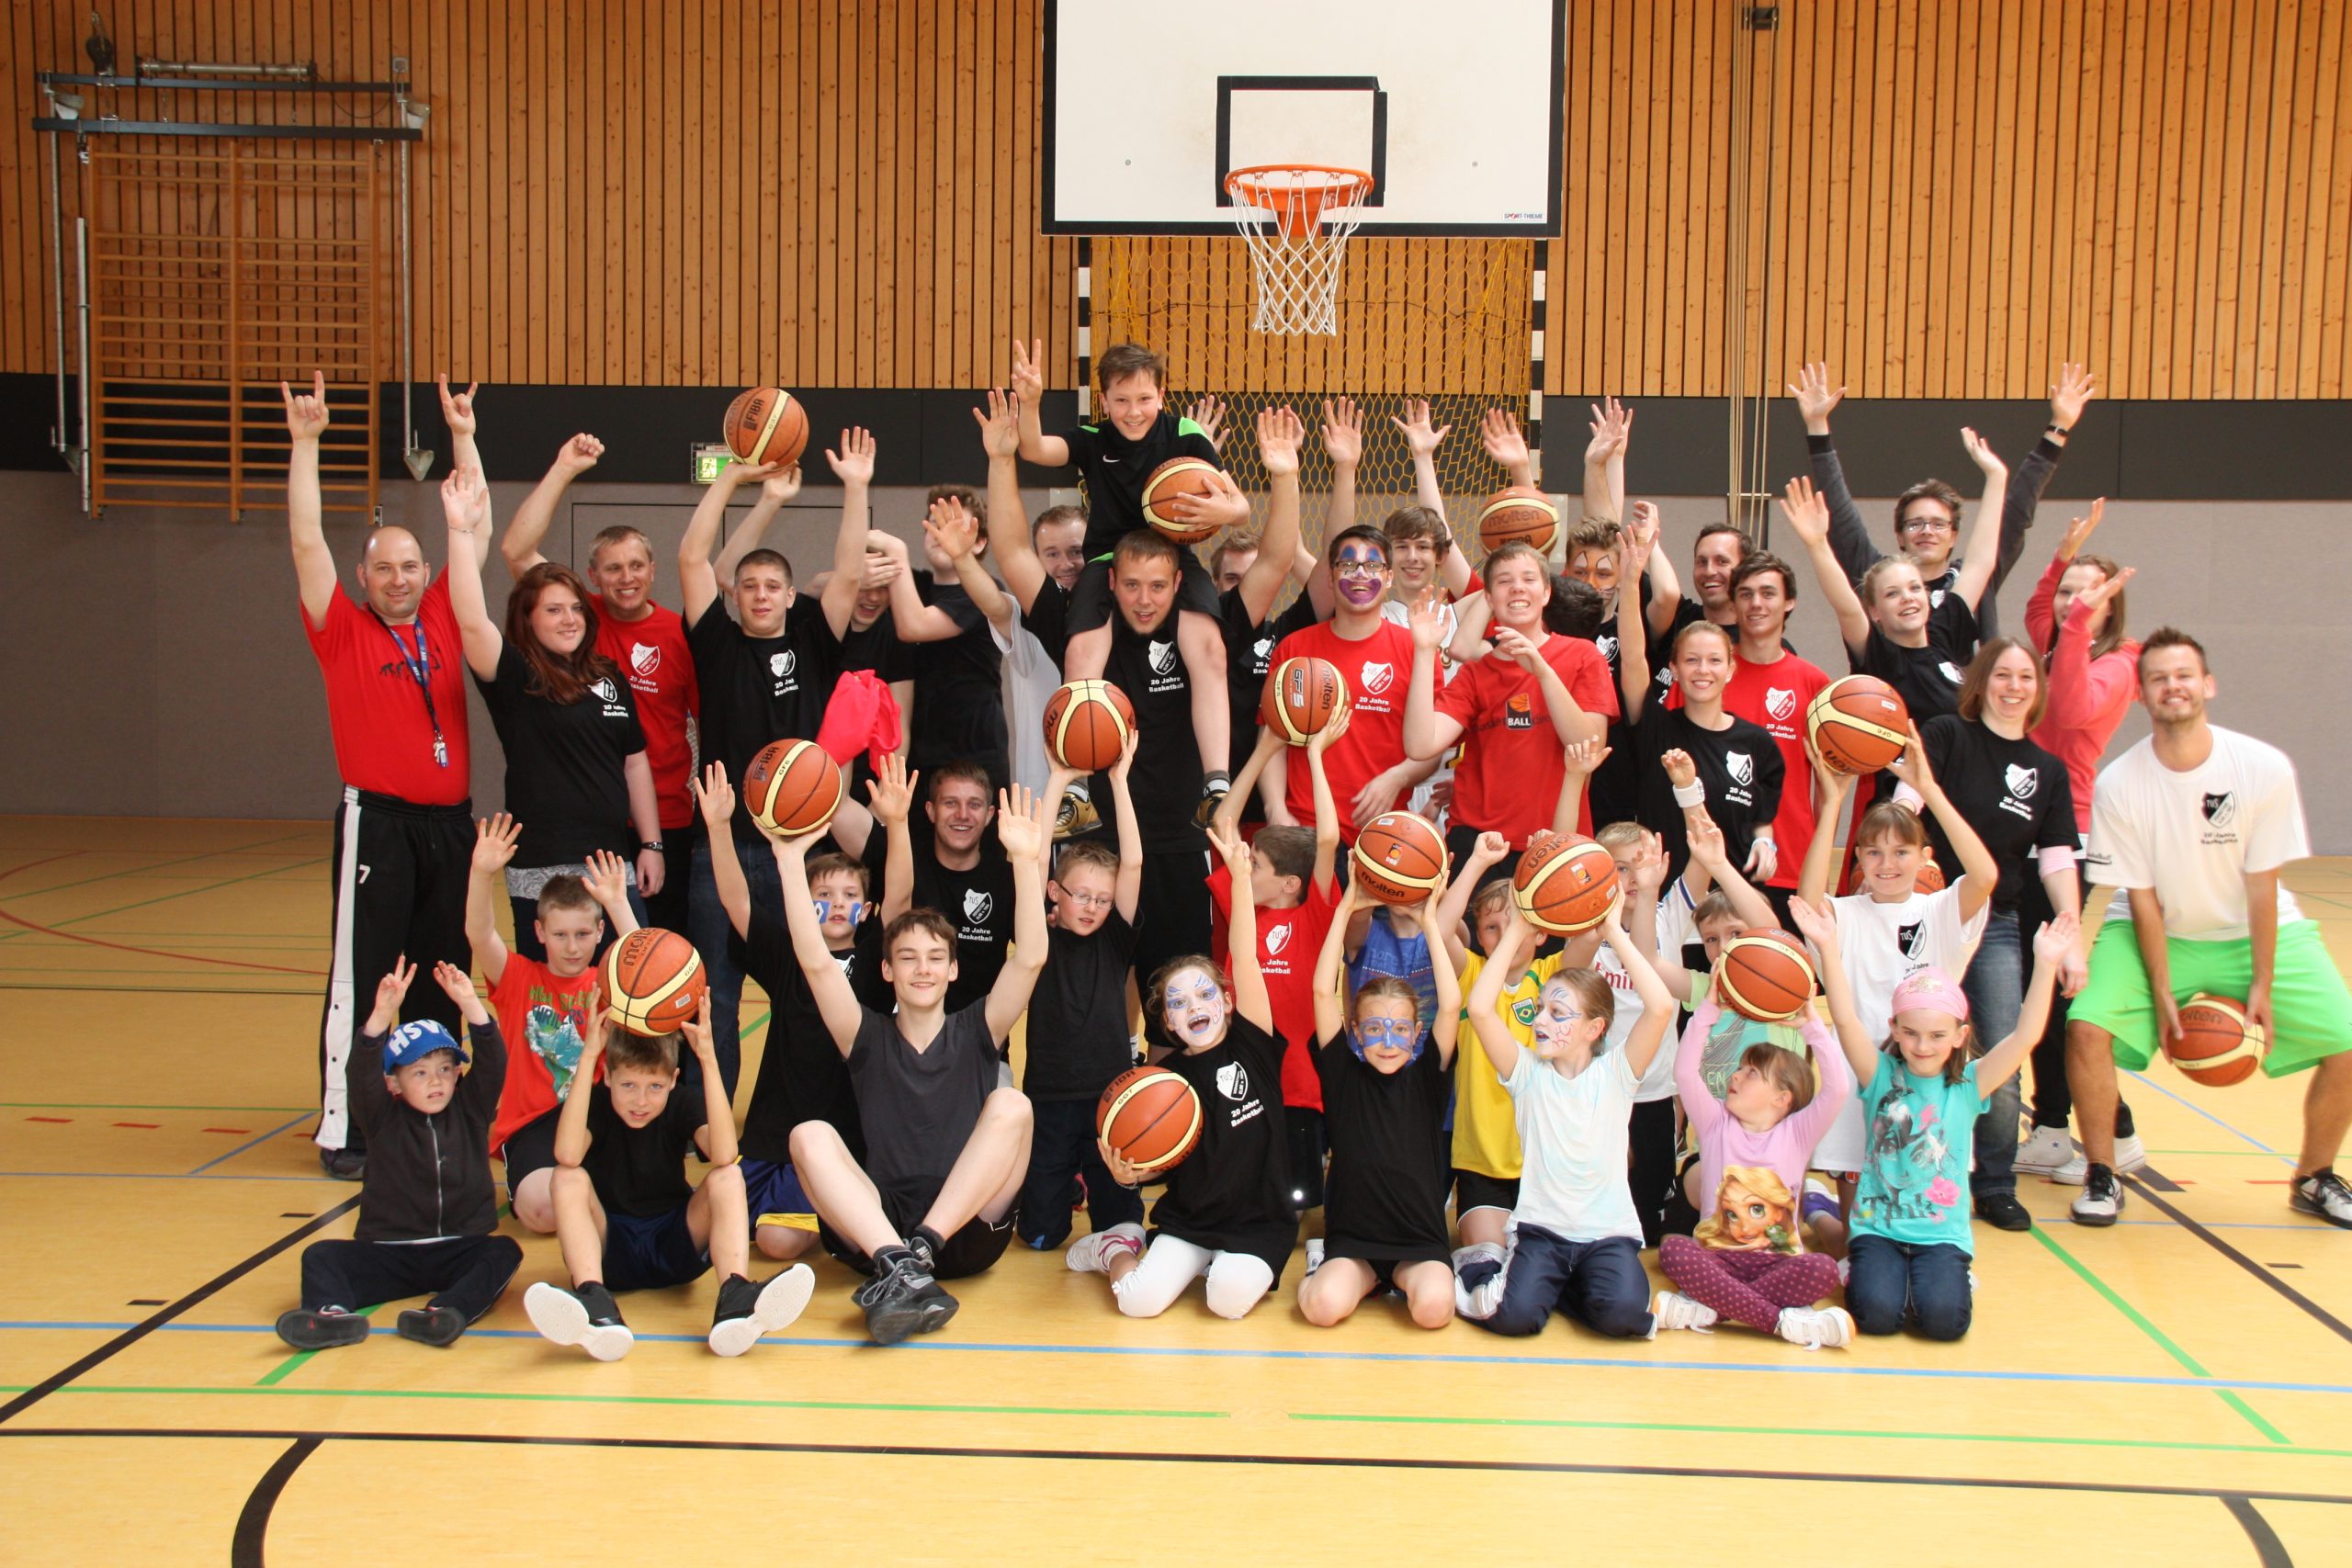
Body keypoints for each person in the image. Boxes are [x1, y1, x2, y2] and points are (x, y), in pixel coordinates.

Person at [2068, 629, 2352, 1229]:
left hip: (2253, 931)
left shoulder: (2262, 767)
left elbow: (2262, 885)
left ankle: (2315, 1176)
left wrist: (2262, 982)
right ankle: (2101, 1172)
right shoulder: (2120, 782)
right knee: (2086, 1028)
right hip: (2152, 931)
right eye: (2158, 678)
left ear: (2208, 685)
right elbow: (2142, 898)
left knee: (2347, 1043)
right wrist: (2162, 990)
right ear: (2140, 695)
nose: (2172, 686)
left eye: (2184, 675)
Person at [286, 372, 482, 1180]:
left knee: (443, 975)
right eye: (384, 569)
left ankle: (435, 1113)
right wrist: (306, 444)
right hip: (381, 825)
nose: (399, 578)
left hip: (451, 827)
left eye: (410, 566)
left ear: (425, 571)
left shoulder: (441, 614)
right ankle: (349, 1126)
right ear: (363, 578)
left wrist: (464, 436)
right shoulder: (340, 630)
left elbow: (472, 517)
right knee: (367, 976)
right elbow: (306, 542)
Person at [779, 786, 1051, 1343]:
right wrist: (787, 859)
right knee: (808, 1135)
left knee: (1012, 1104)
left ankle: (918, 1254)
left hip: (967, 1230)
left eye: (935, 958)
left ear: (953, 971)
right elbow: (816, 962)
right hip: (879, 1228)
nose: (922, 969)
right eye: (907, 958)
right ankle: (900, 1264)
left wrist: (1027, 863)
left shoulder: (979, 1028)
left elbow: (1029, 958)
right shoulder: (864, 1034)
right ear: (887, 972)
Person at [676, 434, 865, 1093]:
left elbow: (848, 575)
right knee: (715, 995)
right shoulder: (716, 644)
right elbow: (692, 557)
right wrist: (732, 479)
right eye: (749, 586)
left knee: (808, 986)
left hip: (801, 850)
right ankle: (710, 1122)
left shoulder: (815, 642)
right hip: (723, 846)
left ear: (790, 596)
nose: (760, 596)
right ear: (736, 595)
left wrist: (856, 487)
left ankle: (806, 1111)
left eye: (772, 587)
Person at [1806, 901, 2077, 1338]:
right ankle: (1819, 1211)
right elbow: (1845, 1017)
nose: (1923, 1046)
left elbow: (2025, 1036)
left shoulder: (1969, 1084)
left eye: (1936, 1035)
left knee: (1944, 1324)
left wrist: (2045, 964)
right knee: (1877, 1318)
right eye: (1911, 1033)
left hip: (1940, 1237)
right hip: (1878, 1230)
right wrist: (1827, 946)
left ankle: (1947, 1279)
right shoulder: (1879, 1074)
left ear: (1959, 1035)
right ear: (1895, 1029)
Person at [1012, 338, 1248, 818]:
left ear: (1161, 395)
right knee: (1080, 653)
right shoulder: (1094, 438)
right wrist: (1031, 403)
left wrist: (1224, 511)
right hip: (1108, 560)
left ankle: (1217, 783)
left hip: (1173, 555)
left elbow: (1239, 506)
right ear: (1104, 400)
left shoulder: (1185, 435)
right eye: (1121, 400)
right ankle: (1077, 786)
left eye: (1143, 398)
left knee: (1210, 650)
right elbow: (1034, 449)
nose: (1133, 411)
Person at [1069, 824, 1295, 1321]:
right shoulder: (1162, 1080)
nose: (1194, 1006)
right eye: (1178, 1002)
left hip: (1258, 1222)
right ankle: (1115, 1247)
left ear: (1227, 1002)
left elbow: (1245, 953)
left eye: (1204, 993)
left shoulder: (1252, 1041)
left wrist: (1240, 879)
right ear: (1168, 1022)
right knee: (1138, 1304)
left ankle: (1214, 1267)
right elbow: (1162, 1159)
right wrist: (1131, 1175)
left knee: (1227, 1301)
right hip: (1191, 1219)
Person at [520, 993, 817, 1360]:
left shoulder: (682, 1102)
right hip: (612, 1249)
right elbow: (567, 1155)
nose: (641, 1101)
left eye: (655, 1087)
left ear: (673, 1080)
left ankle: (736, 1298)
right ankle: (595, 1303)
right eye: (628, 1085)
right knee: (567, 1177)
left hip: (673, 1243)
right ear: (608, 1076)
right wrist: (588, 1057)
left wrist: (708, 1059)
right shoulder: (596, 1102)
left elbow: (724, 1154)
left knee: (728, 1176)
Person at [442, 465, 660, 954]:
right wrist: (460, 532)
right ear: (528, 618)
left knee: (628, 983)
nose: (569, 619)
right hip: (540, 865)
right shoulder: (513, 675)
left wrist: (651, 844)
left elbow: (634, 762)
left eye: (576, 608)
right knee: (547, 996)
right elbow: (470, 619)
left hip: (612, 866)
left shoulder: (609, 676)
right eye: (554, 610)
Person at [1797, 728, 2000, 1254]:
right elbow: (1808, 896)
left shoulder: (1941, 911)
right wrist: (1833, 805)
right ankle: (1821, 1213)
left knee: (1922, 1208)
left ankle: (1923, 1257)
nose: (1887, 864)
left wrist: (1928, 790)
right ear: (1858, 860)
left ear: (1925, 857)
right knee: (1857, 1242)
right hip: (1859, 1073)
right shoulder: (1844, 914)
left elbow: (1984, 875)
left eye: (1901, 852)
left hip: (1928, 1081)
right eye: (1873, 852)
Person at [1902, 640, 2082, 1231]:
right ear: (1981, 681)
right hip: (1925, 912)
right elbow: (1907, 803)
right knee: (1905, 1041)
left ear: (2038, 689)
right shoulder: (1946, 734)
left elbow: (2055, 858)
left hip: (1996, 922)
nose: (2014, 686)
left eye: (2026, 676)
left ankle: (1996, 1182)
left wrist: (2073, 935)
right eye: (2002, 674)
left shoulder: (2047, 770)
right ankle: (1897, 1163)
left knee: (2003, 1048)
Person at [499, 432, 703, 934]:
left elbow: (705, 722)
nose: (625, 577)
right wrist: (564, 468)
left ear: (653, 570)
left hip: (665, 820)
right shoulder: (576, 618)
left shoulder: (681, 633)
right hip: (595, 828)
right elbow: (516, 549)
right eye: (612, 569)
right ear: (593, 576)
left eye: (635, 566)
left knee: (658, 950)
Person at [696, 760, 897, 1261]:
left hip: (835, 1142)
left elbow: (902, 894)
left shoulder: (876, 962)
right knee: (705, 1222)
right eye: (823, 895)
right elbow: (737, 902)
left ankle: (839, 1218)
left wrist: (897, 826)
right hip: (770, 1140)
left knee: (776, 1242)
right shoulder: (788, 957)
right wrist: (718, 827)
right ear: (802, 904)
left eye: (849, 895)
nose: (836, 904)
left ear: (867, 910)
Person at [275, 957, 523, 1350]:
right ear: (394, 1082)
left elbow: (494, 1062)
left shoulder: (471, 1110)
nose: (436, 1081)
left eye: (445, 1069)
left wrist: (469, 1003)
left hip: (458, 1248)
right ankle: (329, 1316)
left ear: (458, 1073)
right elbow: (360, 1076)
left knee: (503, 1251)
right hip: (390, 1254)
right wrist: (381, 1016)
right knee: (320, 1255)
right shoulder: (381, 1118)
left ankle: (444, 1313)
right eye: (420, 1073)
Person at [1461, 901, 1675, 1339]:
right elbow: (1480, 1008)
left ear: (1594, 1029)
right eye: (1541, 1009)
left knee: (1622, 1317)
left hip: (1607, 1236)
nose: (1540, 1021)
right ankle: (1482, 1269)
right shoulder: (1526, 1073)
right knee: (1516, 1319)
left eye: (1557, 1014)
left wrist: (1614, 932)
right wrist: (1518, 928)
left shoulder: (1617, 1072)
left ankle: (1560, 1289)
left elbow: (1659, 1007)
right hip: (1542, 1234)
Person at [1652, 909, 1858, 1349]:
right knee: (1674, 1250)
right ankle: (1780, 1322)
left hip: (1775, 1263)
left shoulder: (1798, 1133)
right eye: (1739, 1069)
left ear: (1783, 1097)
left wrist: (1813, 1027)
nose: (1736, 1076)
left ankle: (1711, 1307)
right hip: (1719, 1259)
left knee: (1822, 1269)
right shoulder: (1715, 1125)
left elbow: (1838, 1088)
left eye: (1751, 1074)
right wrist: (1708, 1010)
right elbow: (1686, 1072)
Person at [2016, 500, 2143, 1179]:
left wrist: (2077, 620)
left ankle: (2083, 1128)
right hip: (2022, 828)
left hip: (2068, 837)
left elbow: (2067, 707)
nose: (2071, 602)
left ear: (2110, 606)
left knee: (2053, 984)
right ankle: (2094, 1127)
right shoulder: (2055, 641)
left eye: (2088, 594)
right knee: (2033, 982)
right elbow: (2039, 607)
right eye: (2068, 592)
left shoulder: (2117, 663)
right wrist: (2062, 555)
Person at [1788, 360, 2095, 640]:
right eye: (1915, 524)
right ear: (1900, 536)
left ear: (1954, 536)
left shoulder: (1973, 579)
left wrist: (2059, 426)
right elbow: (1841, 518)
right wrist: (1817, 427)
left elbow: (2015, 512)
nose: (1927, 531)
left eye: (1938, 524)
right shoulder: (1879, 578)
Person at [1297, 881, 1464, 1329]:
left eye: (1399, 1030)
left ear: (1415, 1034)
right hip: (1356, 1243)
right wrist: (1345, 908)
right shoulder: (1342, 1073)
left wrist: (1430, 922)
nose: (1387, 1042)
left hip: (1418, 1242)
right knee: (1322, 1309)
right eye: (1374, 1028)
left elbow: (1450, 1005)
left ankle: (1400, 1282)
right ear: (1355, 1030)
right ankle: (1325, 1269)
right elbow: (1321, 992)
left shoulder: (1428, 1077)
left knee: (1433, 1312)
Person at [467, 816, 637, 1235]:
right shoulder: (517, 978)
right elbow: (480, 933)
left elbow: (646, 964)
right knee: (543, 1212)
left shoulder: (609, 980)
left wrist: (618, 904)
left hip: (599, 1117)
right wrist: (481, 873)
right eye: (560, 935)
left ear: (600, 931)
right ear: (540, 932)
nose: (573, 947)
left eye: (582, 933)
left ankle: (596, 1196)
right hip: (534, 1124)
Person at [1403, 540, 1616, 865]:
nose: (1517, 587)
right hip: (1480, 843)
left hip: (1558, 841)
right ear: (1489, 599)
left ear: (1546, 593)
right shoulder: (1475, 674)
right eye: (1504, 581)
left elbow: (1589, 748)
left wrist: (1543, 672)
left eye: (1529, 579)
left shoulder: (1582, 655)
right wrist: (1423, 650)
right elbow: (1420, 745)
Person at [1018, 739, 1147, 1252]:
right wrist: (1057, 779)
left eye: (1103, 899)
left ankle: (1091, 1185)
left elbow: (1133, 863)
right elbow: (1034, 860)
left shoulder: (1114, 940)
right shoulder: (1038, 936)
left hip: (1107, 1097)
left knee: (1119, 1227)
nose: (1092, 907)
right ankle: (1066, 1186)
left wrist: (1118, 780)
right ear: (1055, 892)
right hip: (1048, 1096)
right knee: (1041, 1236)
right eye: (1081, 896)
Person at [1779, 456, 2006, 740]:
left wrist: (1997, 477)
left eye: (1914, 588)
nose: (1907, 598)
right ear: (1875, 611)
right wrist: (1817, 544)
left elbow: (1980, 563)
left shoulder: (1945, 630)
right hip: (1904, 770)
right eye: (1892, 593)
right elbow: (1846, 607)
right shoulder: (1880, 655)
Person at [1213, 729, 1343, 1213]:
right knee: (1249, 1192)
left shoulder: (1315, 915)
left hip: (1299, 1087)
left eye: (1256, 863)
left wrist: (1315, 756)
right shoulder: (1243, 904)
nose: (1245, 865)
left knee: (1298, 1202)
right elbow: (1223, 822)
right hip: (1245, 1078)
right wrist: (1264, 750)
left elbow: (1327, 839)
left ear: (1290, 883)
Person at [1682, 544, 1833, 924]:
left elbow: (1826, 786)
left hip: (1790, 863)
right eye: (1746, 594)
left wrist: (1820, 863)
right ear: (1733, 604)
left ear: (1789, 602)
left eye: (1768, 593)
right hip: (1708, 863)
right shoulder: (1706, 673)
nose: (1756, 604)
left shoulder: (1815, 684)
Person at [1267, 526, 1435, 840]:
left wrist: (1398, 777)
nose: (1360, 574)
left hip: (1382, 833)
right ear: (1329, 578)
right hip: (1306, 830)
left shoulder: (1419, 649)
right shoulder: (1294, 648)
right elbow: (1271, 738)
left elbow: (1429, 748)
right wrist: (1275, 808)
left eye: (1372, 565)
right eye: (1347, 564)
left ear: (1389, 577)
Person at [1615, 580, 1784, 886]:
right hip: (1665, 899)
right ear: (1675, 669)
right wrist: (1630, 579)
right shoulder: (1656, 728)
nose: (1703, 669)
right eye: (1691, 660)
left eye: (1714, 660)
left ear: (1730, 670)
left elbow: (1760, 818)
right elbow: (1632, 657)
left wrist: (1764, 842)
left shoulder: (1757, 743)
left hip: (1729, 901)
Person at [884, 481, 1012, 794]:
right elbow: (826, 586)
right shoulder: (914, 586)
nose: (943, 535)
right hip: (923, 755)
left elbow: (913, 626)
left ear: (979, 543)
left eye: (956, 525)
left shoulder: (984, 589)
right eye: (936, 525)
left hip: (976, 753)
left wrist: (895, 550)